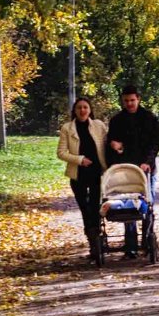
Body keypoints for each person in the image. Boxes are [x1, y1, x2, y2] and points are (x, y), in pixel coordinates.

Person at [106, 84, 159, 258]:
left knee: (147, 206)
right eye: (126, 101)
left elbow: (155, 144)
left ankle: (147, 241)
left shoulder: (149, 118)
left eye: (132, 100)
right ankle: (130, 246)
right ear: (122, 101)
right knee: (128, 207)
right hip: (126, 170)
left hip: (145, 168)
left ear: (138, 99)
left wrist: (147, 162)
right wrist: (113, 145)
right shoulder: (116, 120)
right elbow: (111, 143)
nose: (129, 103)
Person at [57, 97, 108, 262]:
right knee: (85, 209)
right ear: (75, 110)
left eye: (85, 107)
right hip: (78, 175)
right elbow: (61, 153)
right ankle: (93, 242)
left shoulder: (99, 126)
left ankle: (98, 241)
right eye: (79, 108)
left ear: (90, 110)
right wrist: (80, 159)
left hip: (96, 174)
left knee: (95, 207)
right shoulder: (67, 128)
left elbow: (107, 144)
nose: (82, 110)